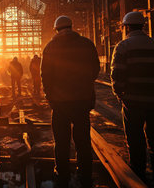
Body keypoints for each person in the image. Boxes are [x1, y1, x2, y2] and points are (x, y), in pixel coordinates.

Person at [111, 11, 154, 187]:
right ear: (143, 26)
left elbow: (117, 75)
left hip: (133, 102)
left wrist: (120, 94)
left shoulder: (123, 47)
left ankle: (138, 177)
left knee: (135, 139)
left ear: (126, 27)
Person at [41, 15, 100, 188]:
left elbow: (45, 76)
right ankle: (85, 174)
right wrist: (84, 85)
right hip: (82, 101)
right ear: (71, 26)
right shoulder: (87, 44)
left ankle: (62, 174)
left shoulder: (50, 47)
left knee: (61, 141)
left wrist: (50, 96)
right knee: (83, 140)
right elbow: (95, 69)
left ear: (56, 29)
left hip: (60, 103)